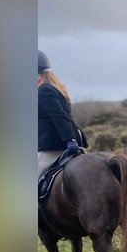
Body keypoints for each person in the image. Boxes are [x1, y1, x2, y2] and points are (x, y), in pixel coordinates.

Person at [37, 49, 83, 178]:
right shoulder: (54, 88)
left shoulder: (44, 90)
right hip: (61, 142)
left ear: (38, 75)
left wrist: (70, 140)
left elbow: (60, 116)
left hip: (54, 146)